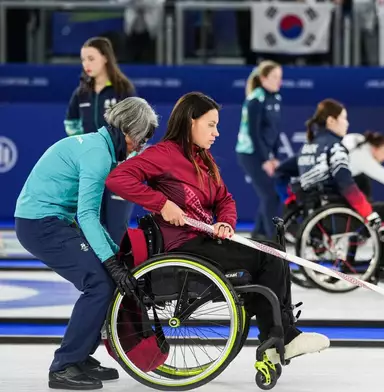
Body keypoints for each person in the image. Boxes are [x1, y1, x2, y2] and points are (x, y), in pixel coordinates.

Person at [105, 91, 330, 366]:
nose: (217, 133)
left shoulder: (204, 161)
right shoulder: (163, 154)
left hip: (204, 243)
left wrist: (225, 222)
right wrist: (162, 203)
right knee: (268, 255)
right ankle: (282, 336)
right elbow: (117, 179)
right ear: (190, 122)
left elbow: (225, 199)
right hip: (182, 248)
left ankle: (279, 335)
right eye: (211, 125)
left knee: (273, 252)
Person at [15, 97, 158, 390]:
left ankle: (79, 356)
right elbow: (88, 215)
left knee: (105, 278)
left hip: (51, 220)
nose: (139, 147)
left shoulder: (99, 146)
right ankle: (64, 366)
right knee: (100, 283)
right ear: (127, 130)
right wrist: (112, 263)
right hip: (40, 224)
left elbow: (87, 220)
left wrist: (114, 256)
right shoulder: (98, 155)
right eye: (140, 139)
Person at [294, 99, 384, 284]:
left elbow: (284, 173)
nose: (348, 123)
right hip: (334, 215)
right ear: (331, 121)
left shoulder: (310, 145)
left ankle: (367, 262)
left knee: (364, 191)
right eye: (344, 118)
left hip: (316, 207)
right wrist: (368, 214)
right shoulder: (336, 147)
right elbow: (346, 185)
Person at [64, 36, 138, 246]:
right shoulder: (81, 93)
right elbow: (71, 124)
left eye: (91, 58)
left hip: (119, 170)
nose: (86, 64)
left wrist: (126, 162)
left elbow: (136, 128)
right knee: (90, 225)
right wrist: (83, 152)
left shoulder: (123, 90)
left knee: (116, 228)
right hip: (91, 170)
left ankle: (123, 276)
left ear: (105, 58)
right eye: (83, 60)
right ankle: (97, 276)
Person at [235, 60, 284, 240]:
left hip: (265, 154)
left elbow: (275, 131)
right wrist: (265, 160)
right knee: (270, 195)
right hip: (250, 154)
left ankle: (258, 235)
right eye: (275, 77)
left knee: (270, 194)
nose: (279, 81)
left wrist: (275, 157)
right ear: (263, 79)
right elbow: (254, 134)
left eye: (280, 77)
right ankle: (271, 239)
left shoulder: (276, 98)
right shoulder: (255, 99)